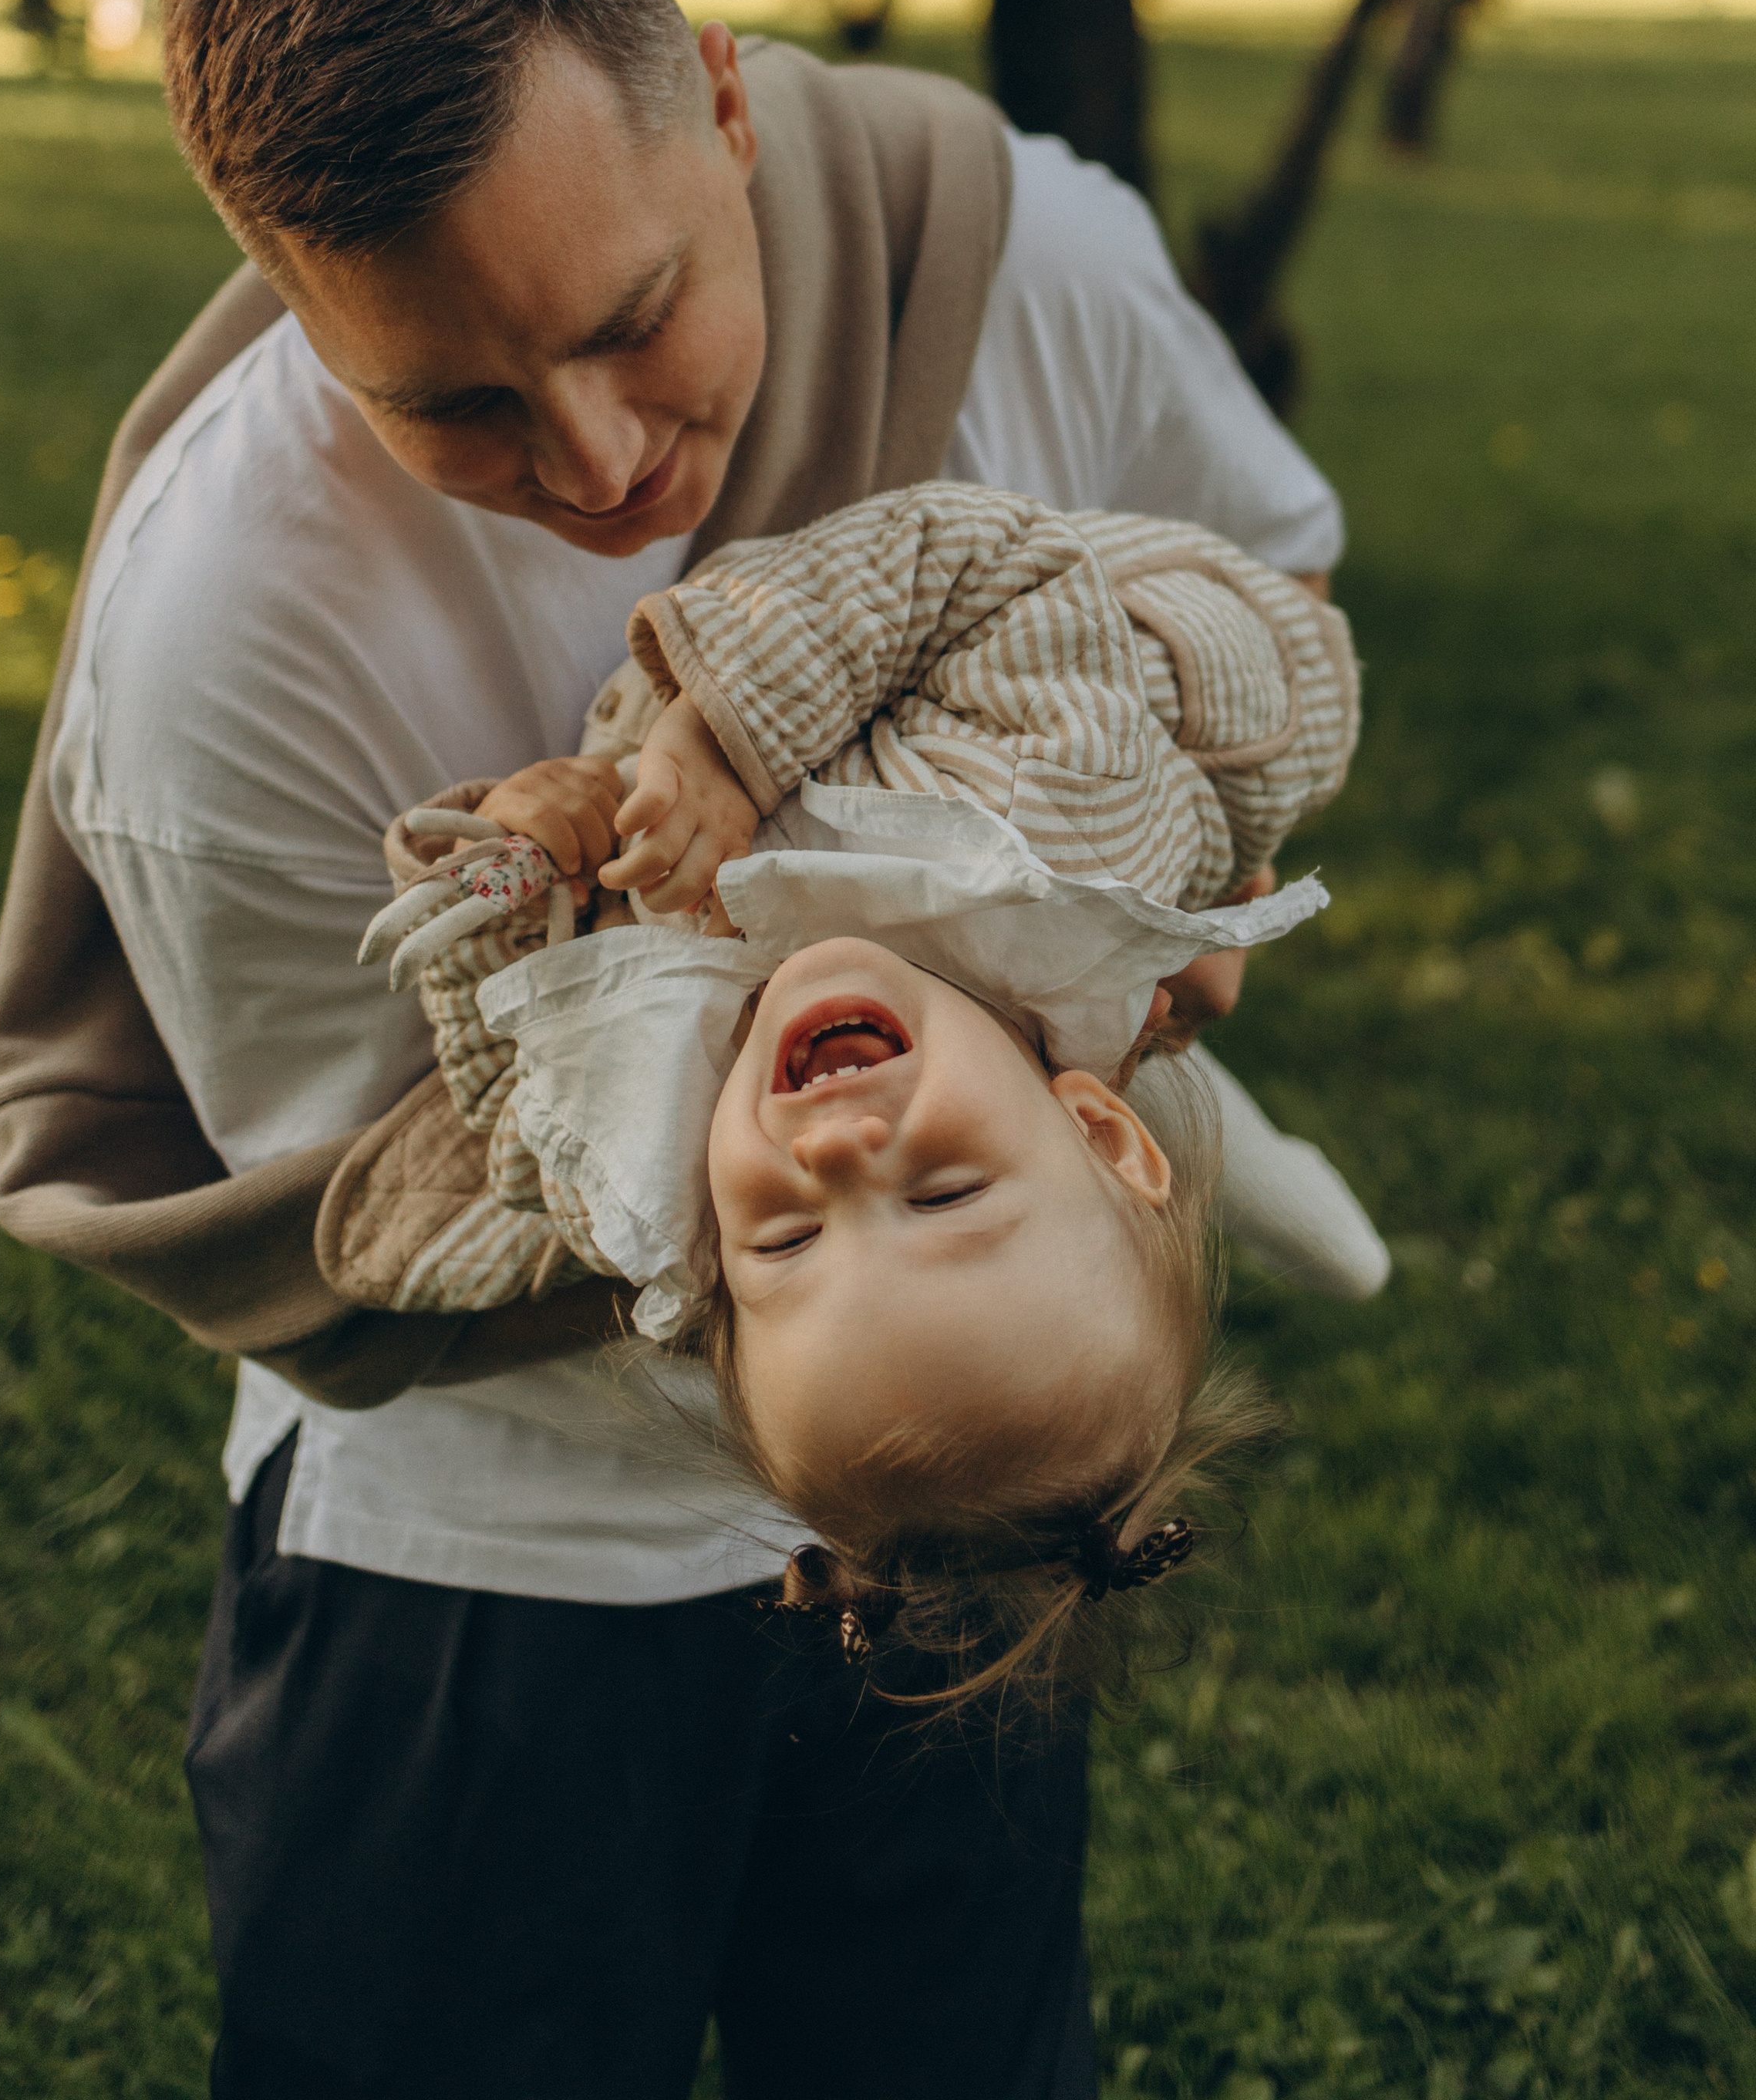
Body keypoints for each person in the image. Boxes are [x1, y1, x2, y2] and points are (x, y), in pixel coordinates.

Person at [0, 0, 1357, 2098]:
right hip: (491, 1570)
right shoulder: (222, 647)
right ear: (302, 324)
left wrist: (1165, 886)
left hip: (972, 1476)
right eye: (456, 403)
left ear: (722, 101)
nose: (604, 456)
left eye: (635, 319)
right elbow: (430, 1194)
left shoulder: (1020, 257)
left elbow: (1261, 585)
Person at [317, 476, 1367, 1710]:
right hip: (1185, 662)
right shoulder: (1035, 803)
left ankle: (1213, 1110)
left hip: (1045, 1009)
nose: (838, 1155)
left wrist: (532, 842)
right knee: (1186, 919)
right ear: (1092, 1127)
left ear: (708, 1268)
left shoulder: (639, 1142)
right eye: (944, 1193)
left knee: (1149, 1029)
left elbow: (510, 1072)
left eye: (788, 1239)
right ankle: (1220, 1105)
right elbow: (978, 557)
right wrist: (722, 740)